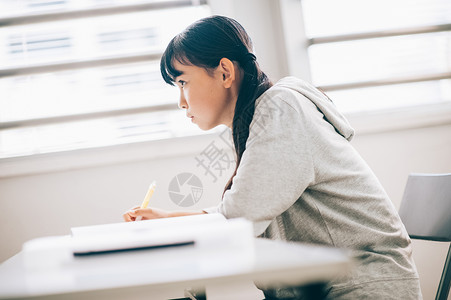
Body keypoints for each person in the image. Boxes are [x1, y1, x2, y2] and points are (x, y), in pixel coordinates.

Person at [123, 15, 422, 299]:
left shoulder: (281, 109)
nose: (180, 102)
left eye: (183, 82)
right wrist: (167, 219)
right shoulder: (262, 117)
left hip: (361, 287)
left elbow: (239, 221)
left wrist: (172, 226)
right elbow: (243, 212)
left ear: (225, 72)